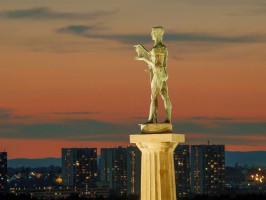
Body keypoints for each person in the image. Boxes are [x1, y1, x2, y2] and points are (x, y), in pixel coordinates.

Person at [135, 26, 172, 124]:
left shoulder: (157, 49)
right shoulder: (164, 48)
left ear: (156, 34)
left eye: (152, 32)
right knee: (165, 96)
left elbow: (156, 65)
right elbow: (164, 64)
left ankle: (150, 120)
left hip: (158, 73)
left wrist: (143, 58)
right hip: (162, 74)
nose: (151, 34)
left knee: (154, 96)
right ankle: (168, 119)